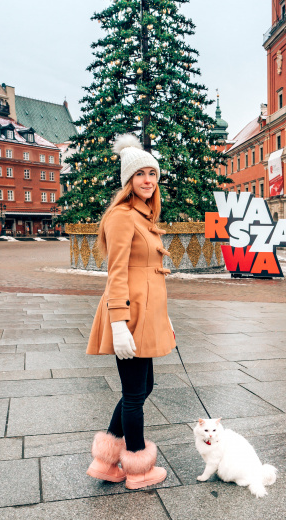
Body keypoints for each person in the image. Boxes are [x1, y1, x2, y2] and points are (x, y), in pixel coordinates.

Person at [85, 134, 175, 490]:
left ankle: (107, 462)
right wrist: (119, 323)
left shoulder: (143, 216)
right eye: (140, 174)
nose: (148, 180)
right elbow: (117, 273)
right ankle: (138, 469)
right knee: (135, 393)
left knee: (142, 387)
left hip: (145, 316)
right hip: (129, 316)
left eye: (153, 173)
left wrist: (164, 317)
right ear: (128, 181)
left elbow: (149, 275)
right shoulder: (123, 216)